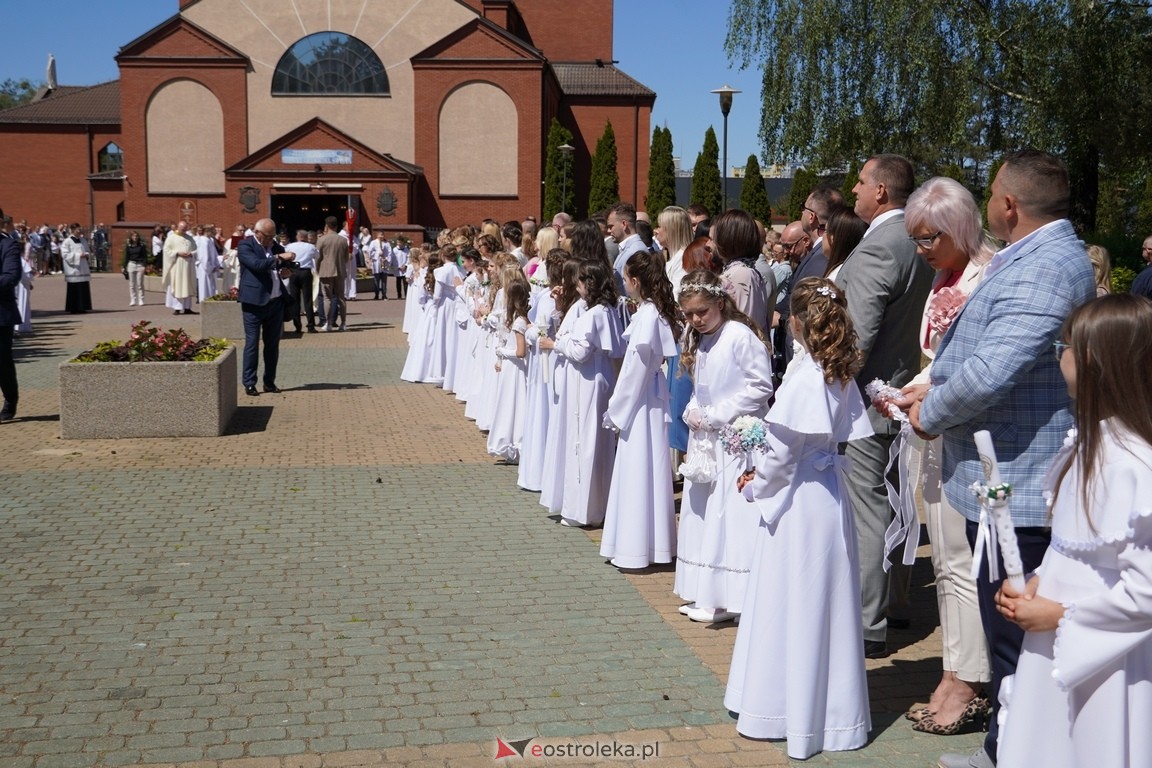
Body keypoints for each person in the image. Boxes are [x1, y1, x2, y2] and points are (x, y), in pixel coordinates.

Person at [899, 150, 1096, 768]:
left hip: (1024, 480)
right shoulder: (1036, 256)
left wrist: (931, 413)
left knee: (1020, 644)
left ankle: (1013, 754)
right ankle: (1003, 749)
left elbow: (993, 370)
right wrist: (931, 386)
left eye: (990, 194)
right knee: (1009, 639)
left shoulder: (1047, 264)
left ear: (1008, 204)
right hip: (1004, 476)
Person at [995, 293, 1152, 768]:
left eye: (1063, 346)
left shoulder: (1133, 465)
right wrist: (1039, 581)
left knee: (1094, 745)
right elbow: (1072, 545)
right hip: (1053, 638)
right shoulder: (1087, 443)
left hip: (1106, 655)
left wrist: (1062, 616)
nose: (1058, 356)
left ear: (1093, 361)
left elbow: (1146, 592)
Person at [726, 276, 872, 759]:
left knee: (792, 598)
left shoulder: (806, 376)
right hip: (828, 498)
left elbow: (781, 454)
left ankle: (786, 711)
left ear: (795, 323)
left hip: (798, 502)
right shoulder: (836, 370)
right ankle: (831, 714)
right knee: (824, 600)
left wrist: (755, 484)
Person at [900, 177, 994, 734]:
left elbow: (978, 361)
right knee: (944, 563)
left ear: (958, 228)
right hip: (934, 428)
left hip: (968, 435)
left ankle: (969, 681)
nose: (921, 248)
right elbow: (935, 353)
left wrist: (927, 391)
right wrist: (912, 388)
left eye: (929, 237)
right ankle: (953, 669)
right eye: (916, 238)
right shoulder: (944, 275)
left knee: (963, 561)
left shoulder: (991, 274)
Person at [835, 154, 934, 659]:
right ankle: (894, 601)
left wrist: (829, 390)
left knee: (870, 509)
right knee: (896, 503)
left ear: (880, 192)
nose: (853, 189)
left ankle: (867, 620)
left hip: (868, 402)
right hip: (896, 394)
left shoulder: (881, 246)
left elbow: (858, 334)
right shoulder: (916, 242)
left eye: (860, 181)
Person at [673, 269, 774, 624]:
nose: (696, 319)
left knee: (728, 516)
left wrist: (715, 415)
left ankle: (731, 596)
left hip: (736, 440)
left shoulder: (739, 336)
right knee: (703, 513)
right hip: (708, 441)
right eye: (689, 314)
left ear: (720, 303)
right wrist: (693, 411)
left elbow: (760, 386)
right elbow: (702, 386)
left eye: (702, 311)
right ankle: (707, 590)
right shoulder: (701, 338)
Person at [600, 248, 681, 569]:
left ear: (635, 281)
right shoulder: (652, 313)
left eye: (625, 279)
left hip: (641, 401)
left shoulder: (648, 317)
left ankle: (637, 547)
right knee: (647, 468)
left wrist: (616, 410)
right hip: (649, 398)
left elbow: (634, 371)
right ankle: (649, 544)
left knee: (639, 468)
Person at [538, 258, 624, 528]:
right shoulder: (605, 309)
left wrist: (556, 342)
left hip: (586, 380)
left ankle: (584, 509)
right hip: (597, 377)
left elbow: (579, 351)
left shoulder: (596, 313)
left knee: (584, 442)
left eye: (580, 282)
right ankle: (594, 505)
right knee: (593, 442)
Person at [236, 219, 290, 396]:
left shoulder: (275, 247)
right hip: (254, 302)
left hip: (275, 302)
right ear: (257, 233)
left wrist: (288, 269)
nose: (270, 240)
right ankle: (249, 382)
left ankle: (270, 381)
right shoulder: (245, 246)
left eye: (272, 236)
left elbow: (284, 265)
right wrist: (278, 258)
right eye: (267, 236)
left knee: (272, 345)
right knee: (252, 343)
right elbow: (257, 265)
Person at [486, 271, 531, 462]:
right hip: (510, 368)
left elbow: (520, 352)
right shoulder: (518, 319)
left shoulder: (520, 322)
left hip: (516, 370)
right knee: (508, 403)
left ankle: (516, 444)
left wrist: (502, 353)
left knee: (515, 403)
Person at [711, 209, 771, 333]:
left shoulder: (741, 274)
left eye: (713, 238)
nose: (711, 243)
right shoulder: (743, 270)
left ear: (725, 239)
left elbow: (743, 321)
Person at [0, 210, 21, 423]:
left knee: (2, 361)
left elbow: (10, 277)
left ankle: (10, 399)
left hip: (1, 314)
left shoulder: (9, 245)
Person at [315, 217, 347, 332]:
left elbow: (317, 257)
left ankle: (328, 323)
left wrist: (317, 269)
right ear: (336, 226)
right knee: (341, 298)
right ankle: (343, 323)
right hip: (340, 270)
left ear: (326, 226)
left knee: (327, 298)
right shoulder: (343, 240)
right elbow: (346, 258)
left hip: (326, 270)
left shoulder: (322, 240)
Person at [821, 204, 867, 282]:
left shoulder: (836, 278)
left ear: (833, 238)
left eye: (825, 231)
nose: (822, 236)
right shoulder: (857, 271)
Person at [284, 229, 318, 332]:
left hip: (293, 271)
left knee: (295, 299)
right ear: (306, 238)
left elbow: (285, 256)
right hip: (305, 272)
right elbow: (317, 256)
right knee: (308, 299)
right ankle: (311, 326)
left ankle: (297, 326)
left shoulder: (290, 246)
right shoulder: (311, 246)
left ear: (297, 237)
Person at [162, 221, 197, 315]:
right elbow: (166, 250)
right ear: (178, 227)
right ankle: (177, 308)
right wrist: (177, 253)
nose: (184, 230)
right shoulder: (171, 238)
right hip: (177, 265)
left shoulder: (189, 238)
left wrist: (191, 254)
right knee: (178, 285)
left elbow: (196, 250)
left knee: (187, 285)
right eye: (182, 229)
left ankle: (187, 308)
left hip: (188, 265)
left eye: (185, 229)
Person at [61, 223, 93, 314]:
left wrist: (86, 254)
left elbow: (88, 250)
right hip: (73, 269)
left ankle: (83, 307)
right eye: (78, 230)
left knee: (83, 287)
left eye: (80, 229)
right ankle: (73, 308)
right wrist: (79, 255)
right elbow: (65, 254)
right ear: (72, 230)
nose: (80, 231)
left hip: (82, 267)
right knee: (74, 288)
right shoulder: (67, 241)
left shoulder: (83, 240)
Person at [194, 225, 220, 301]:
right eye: (213, 231)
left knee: (210, 288)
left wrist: (217, 262)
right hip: (205, 269)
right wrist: (210, 268)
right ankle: (205, 303)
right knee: (205, 288)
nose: (214, 233)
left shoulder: (209, 240)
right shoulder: (203, 241)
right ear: (207, 232)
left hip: (210, 267)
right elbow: (204, 257)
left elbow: (214, 254)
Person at [123, 231, 149, 307]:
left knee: (139, 283)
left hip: (140, 265)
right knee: (131, 284)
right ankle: (133, 299)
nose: (135, 237)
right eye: (133, 236)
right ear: (131, 237)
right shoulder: (129, 246)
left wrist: (144, 265)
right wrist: (124, 266)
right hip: (131, 264)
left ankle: (141, 299)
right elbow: (127, 257)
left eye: (136, 236)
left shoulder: (141, 246)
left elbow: (145, 256)